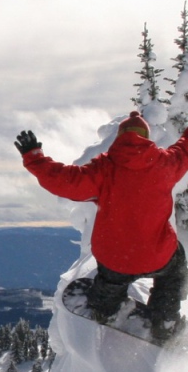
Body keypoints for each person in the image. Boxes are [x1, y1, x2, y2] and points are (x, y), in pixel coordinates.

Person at [15, 110, 188, 342]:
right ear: (146, 137)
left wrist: (34, 157)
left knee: (110, 283)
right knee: (173, 271)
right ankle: (165, 319)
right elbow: (186, 149)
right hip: (158, 256)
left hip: (117, 258)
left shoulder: (104, 169)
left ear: (120, 136)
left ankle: (106, 307)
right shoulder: (166, 164)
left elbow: (64, 180)